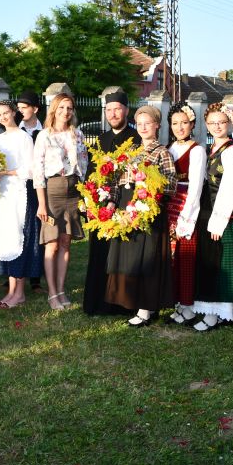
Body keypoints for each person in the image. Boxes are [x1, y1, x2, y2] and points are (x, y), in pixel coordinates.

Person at [105, 105, 178, 326]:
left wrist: (147, 185)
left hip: (148, 212)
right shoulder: (130, 151)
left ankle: (146, 308)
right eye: (140, 123)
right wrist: (112, 201)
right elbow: (117, 180)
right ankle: (133, 301)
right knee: (129, 257)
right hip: (128, 208)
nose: (144, 127)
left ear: (157, 125)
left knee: (146, 260)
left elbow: (171, 184)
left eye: (148, 123)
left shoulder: (162, 152)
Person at [192, 104, 233, 331]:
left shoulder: (231, 151)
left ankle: (223, 314)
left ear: (229, 124)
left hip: (227, 217)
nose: (217, 126)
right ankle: (215, 312)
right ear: (206, 125)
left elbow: (230, 186)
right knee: (215, 263)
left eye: (221, 122)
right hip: (211, 214)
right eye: (212, 123)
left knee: (226, 264)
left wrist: (219, 220)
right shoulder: (212, 149)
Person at [82, 90, 139, 316]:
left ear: (126, 110)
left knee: (122, 254)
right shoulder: (100, 140)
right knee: (99, 253)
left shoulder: (135, 139)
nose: (113, 114)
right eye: (109, 110)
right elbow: (90, 172)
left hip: (125, 203)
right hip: (99, 206)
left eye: (117, 109)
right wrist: (87, 201)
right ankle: (97, 302)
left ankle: (122, 304)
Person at [32, 92, 88, 310]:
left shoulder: (78, 134)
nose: (66, 112)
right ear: (54, 109)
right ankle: (52, 294)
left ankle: (62, 290)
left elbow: (83, 167)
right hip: (53, 191)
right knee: (52, 244)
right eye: (62, 107)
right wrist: (42, 203)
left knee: (66, 243)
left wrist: (84, 195)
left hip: (73, 191)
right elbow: (38, 172)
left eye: (70, 108)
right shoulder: (44, 136)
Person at [0, 100, 34, 308]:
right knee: (6, 239)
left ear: (14, 113)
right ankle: (11, 291)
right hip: (1, 194)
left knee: (18, 239)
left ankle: (19, 293)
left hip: (18, 192)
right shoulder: (0, 138)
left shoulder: (24, 137)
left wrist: (6, 173)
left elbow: (30, 169)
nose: (3, 117)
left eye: (6, 113)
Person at [166, 102, 206, 325]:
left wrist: (187, 217)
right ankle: (178, 303)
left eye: (184, 123)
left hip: (186, 205)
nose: (179, 127)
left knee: (186, 255)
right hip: (170, 203)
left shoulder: (197, 150)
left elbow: (196, 186)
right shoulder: (170, 148)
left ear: (192, 124)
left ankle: (189, 306)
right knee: (173, 256)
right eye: (175, 123)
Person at [16, 91, 45, 293]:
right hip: (18, 184)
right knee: (17, 227)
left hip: (39, 184)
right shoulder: (14, 131)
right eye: (18, 108)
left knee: (36, 228)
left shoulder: (45, 131)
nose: (20, 111)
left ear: (35, 109)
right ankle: (15, 272)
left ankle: (35, 277)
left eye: (24, 107)